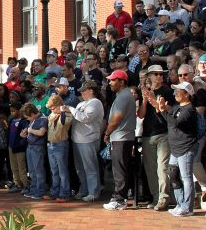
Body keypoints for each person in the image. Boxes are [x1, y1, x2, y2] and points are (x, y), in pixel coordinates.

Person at [158, 82, 198, 217]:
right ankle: (180, 204)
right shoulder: (176, 107)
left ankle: (187, 207)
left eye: (178, 91)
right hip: (175, 148)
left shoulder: (190, 110)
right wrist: (162, 109)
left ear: (187, 94)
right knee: (172, 173)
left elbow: (175, 123)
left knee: (186, 177)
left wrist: (164, 110)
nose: (175, 93)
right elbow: (168, 121)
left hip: (186, 146)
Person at [138, 65, 174, 211]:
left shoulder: (168, 91)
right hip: (147, 134)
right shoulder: (146, 92)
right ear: (150, 76)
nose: (159, 76)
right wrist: (145, 99)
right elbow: (140, 115)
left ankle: (164, 198)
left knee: (162, 167)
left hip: (163, 133)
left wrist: (152, 99)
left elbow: (165, 112)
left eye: (161, 74)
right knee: (151, 169)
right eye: (156, 74)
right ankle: (155, 197)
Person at [103, 70, 136, 211]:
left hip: (121, 137)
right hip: (122, 137)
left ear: (122, 82)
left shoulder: (123, 96)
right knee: (121, 168)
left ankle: (119, 199)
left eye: (113, 80)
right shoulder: (124, 95)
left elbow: (116, 118)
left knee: (119, 169)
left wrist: (107, 133)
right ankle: (121, 197)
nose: (110, 82)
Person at [68, 80, 104, 202]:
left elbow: (85, 118)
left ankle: (93, 192)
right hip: (77, 139)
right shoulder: (81, 104)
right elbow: (75, 119)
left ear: (91, 91)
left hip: (88, 139)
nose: (81, 93)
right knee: (80, 168)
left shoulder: (95, 102)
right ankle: (83, 190)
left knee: (90, 167)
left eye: (84, 90)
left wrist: (70, 109)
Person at [45, 95, 72, 202]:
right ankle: (54, 191)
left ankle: (64, 193)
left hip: (61, 144)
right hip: (51, 145)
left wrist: (63, 111)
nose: (51, 110)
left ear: (59, 105)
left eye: (53, 108)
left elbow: (65, 123)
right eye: (50, 108)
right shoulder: (52, 115)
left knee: (62, 170)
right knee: (54, 170)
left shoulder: (66, 113)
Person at [21, 102, 48, 200]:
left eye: (27, 117)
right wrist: (24, 134)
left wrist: (30, 130)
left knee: (38, 170)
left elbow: (41, 132)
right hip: (30, 146)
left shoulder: (43, 119)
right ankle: (33, 189)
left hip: (38, 147)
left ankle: (40, 191)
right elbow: (30, 130)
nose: (27, 119)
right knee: (32, 171)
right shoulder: (33, 120)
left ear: (32, 114)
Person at [7, 102, 29, 194]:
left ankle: (26, 185)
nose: (12, 113)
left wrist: (21, 144)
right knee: (14, 167)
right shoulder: (11, 120)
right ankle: (17, 184)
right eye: (11, 112)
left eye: (13, 111)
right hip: (11, 147)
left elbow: (25, 134)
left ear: (19, 111)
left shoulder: (24, 121)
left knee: (21, 167)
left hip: (20, 148)